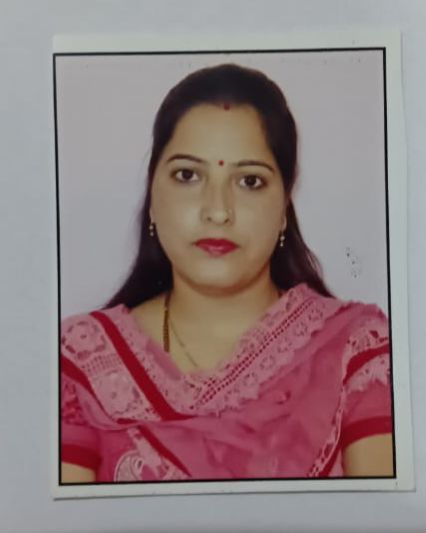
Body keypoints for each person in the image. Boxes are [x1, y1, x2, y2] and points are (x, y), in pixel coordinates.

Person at [60, 63, 394, 483]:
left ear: (284, 206)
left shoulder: (356, 352)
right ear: (152, 196)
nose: (218, 211)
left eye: (249, 181)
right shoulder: (78, 364)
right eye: (187, 175)